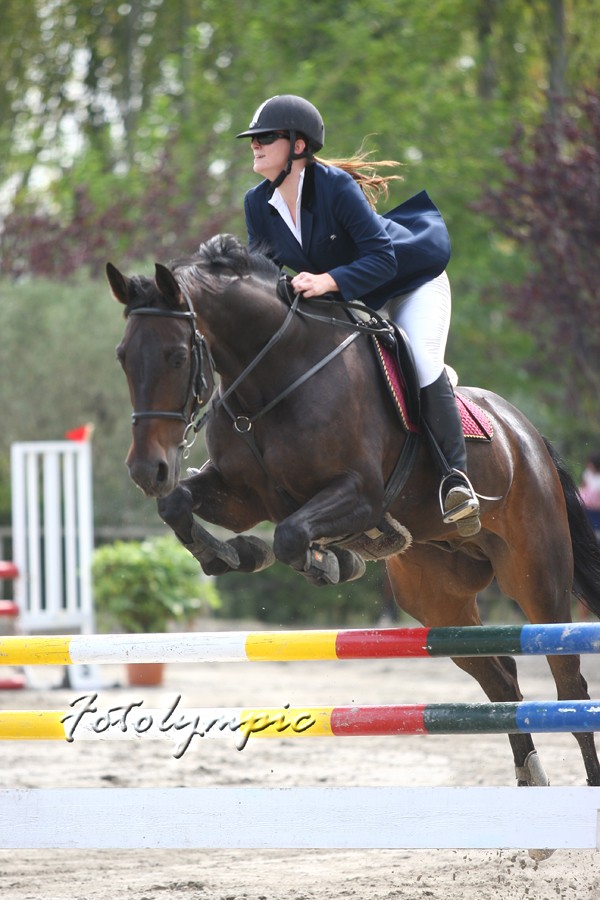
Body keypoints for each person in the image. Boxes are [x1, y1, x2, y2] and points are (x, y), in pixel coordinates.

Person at [236, 94, 480, 537]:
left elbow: (383, 260)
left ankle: (454, 481)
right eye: (253, 139)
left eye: (265, 137)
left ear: (297, 146)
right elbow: (265, 277)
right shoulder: (257, 204)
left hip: (411, 283)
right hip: (361, 300)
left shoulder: (334, 187)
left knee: (420, 357)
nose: (254, 145)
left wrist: (326, 281)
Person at [579, 453, 600, 539]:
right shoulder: (587, 474)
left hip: (597, 510)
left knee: (596, 534)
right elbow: (583, 487)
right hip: (586, 508)